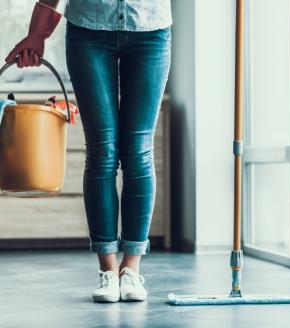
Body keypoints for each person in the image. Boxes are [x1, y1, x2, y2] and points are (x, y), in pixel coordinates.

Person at [5, 0, 172, 303]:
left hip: (151, 29)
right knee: (102, 150)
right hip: (89, 30)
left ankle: (131, 269)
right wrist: (38, 34)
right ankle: (108, 270)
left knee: (138, 151)